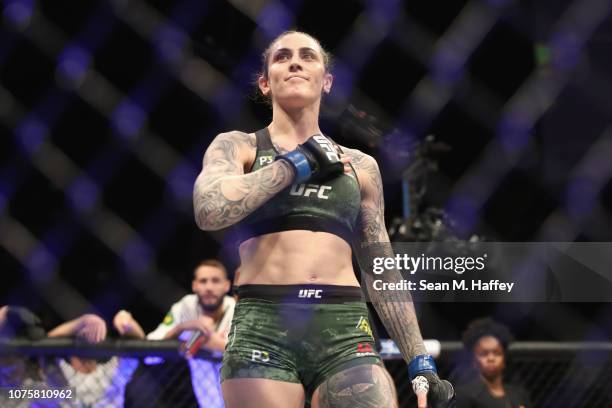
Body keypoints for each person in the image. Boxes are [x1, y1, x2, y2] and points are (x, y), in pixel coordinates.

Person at [193, 31, 454, 408]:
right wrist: (295, 164)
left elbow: (380, 267)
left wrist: (417, 355)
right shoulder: (239, 146)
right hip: (263, 324)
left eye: (307, 56)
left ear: (326, 81)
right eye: (282, 57)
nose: (295, 62)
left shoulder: (361, 166)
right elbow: (209, 209)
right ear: (265, 83)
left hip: (345, 325)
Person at [147, 259, 236, 408]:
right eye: (203, 281)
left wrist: (218, 345)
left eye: (215, 281)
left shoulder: (239, 310)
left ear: (227, 285)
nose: (209, 287)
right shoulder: (185, 307)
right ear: (194, 285)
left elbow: (260, 356)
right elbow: (150, 356)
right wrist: (182, 328)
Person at [47, 310, 144, 408]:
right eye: (84, 336)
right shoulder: (61, 372)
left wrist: (127, 323)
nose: (90, 337)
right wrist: (81, 322)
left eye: (95, 335)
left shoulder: (113, 372)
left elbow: (138, 346)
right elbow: (44, 347)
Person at [456, 318, 531, 408]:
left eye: (497, 353)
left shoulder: (519, 395)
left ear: (504, 359)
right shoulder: (465, 395)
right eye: (483, 354)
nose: (491, 358)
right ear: (474, 361)